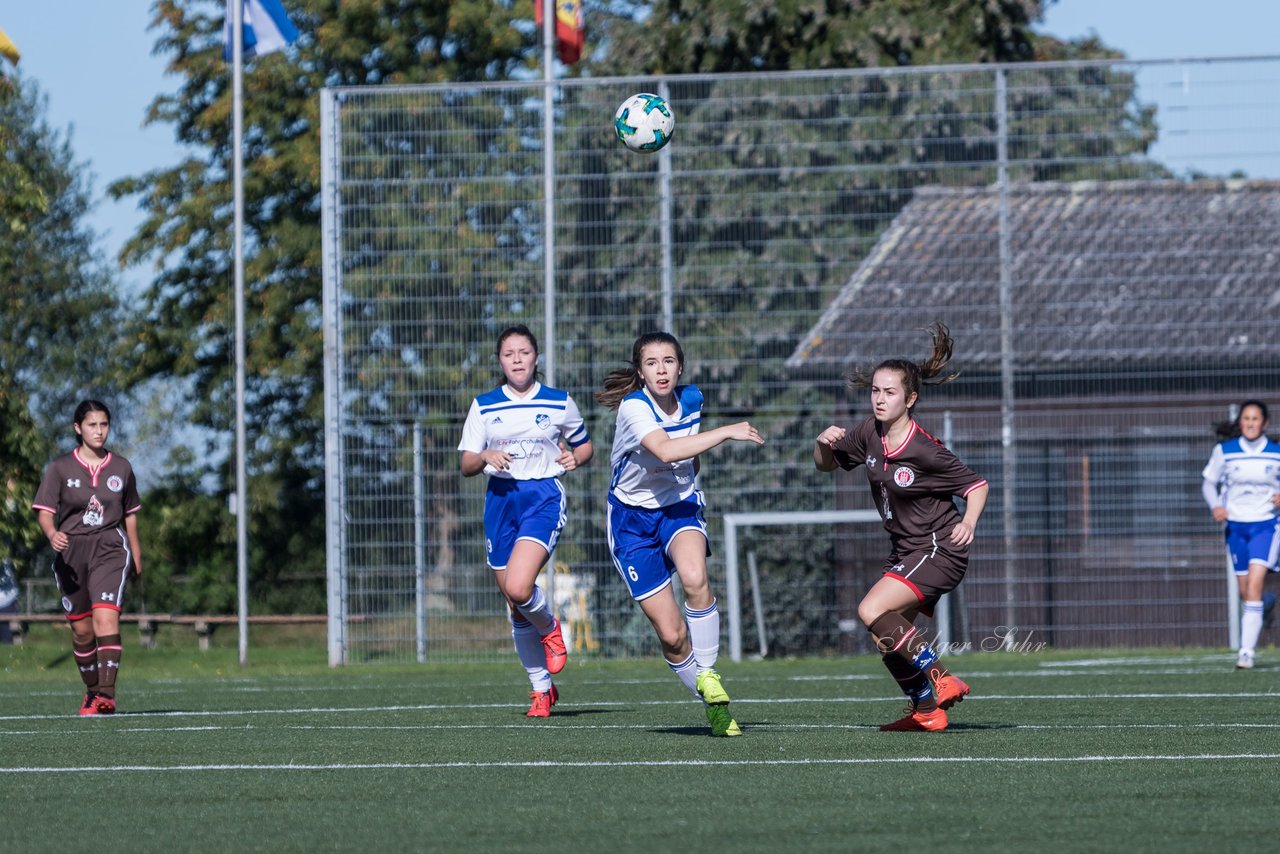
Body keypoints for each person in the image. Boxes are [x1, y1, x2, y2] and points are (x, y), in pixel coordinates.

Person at [813, 322, 988, 733]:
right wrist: (822, 444)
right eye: (875, 390)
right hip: (909, 550)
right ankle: (927, 711)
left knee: (870, 609)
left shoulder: (924, 448)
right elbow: (826, 465)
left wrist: (970, 521)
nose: (879, 398)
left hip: (939, 549)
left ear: (910, 399)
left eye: (889, 392)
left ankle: (942, 678)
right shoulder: (869, 434)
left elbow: (976, 485)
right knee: (884, 635)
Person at [595, 332, 765, 737]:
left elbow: (690, 456)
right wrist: (727, 431)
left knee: (694, 576)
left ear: (681, 367)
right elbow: (669, 450)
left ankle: (708, 674)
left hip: (678, 508)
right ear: (640, 372)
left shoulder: (693, 398)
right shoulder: (634, 408)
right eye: (651, 363)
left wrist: (690, 480)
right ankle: (714, 705)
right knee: (672, 636)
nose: (661, 369)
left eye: (668, 361)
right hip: (631, 522)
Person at [458, 325, 593, 717]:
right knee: (515, 606)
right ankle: (541, 690)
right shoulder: (484, 405)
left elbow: (584, 445)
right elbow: (466, 462)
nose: (517, 360)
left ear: (536, 357)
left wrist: (576, 458)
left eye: (524, 352)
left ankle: (551, 628)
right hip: (500, 502)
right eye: (509, 354)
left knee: (520, 588)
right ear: (500, 361)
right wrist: (485, 456)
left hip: (541, 499)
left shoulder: (559, 402)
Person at [32, 400, 143, 715]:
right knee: (82, 631)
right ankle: (93, 691)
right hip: (71, 554)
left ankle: (107, 694)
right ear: (77, 428)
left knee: (106, 616)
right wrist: (52, 534)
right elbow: (44, 512)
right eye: (92, 425)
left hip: (110, 547)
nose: (99, 431)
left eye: (104, 424)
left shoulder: (121, 468)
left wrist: (137, 555)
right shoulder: (59, 469)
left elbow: (131, 515)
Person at [1201, 399, 1280, 670]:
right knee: (1246, 591)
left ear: (1265, 423)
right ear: (1240, 422)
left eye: (1255, 419)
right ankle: (1266, 605)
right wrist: (1216, 507)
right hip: (1236, 527)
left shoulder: (1275, 453)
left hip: (1266, 525)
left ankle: (1246, 653)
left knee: (1255, 584)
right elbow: (1209, 483)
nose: (1250, 423)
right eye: (1246, 418)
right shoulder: (1225, 451)